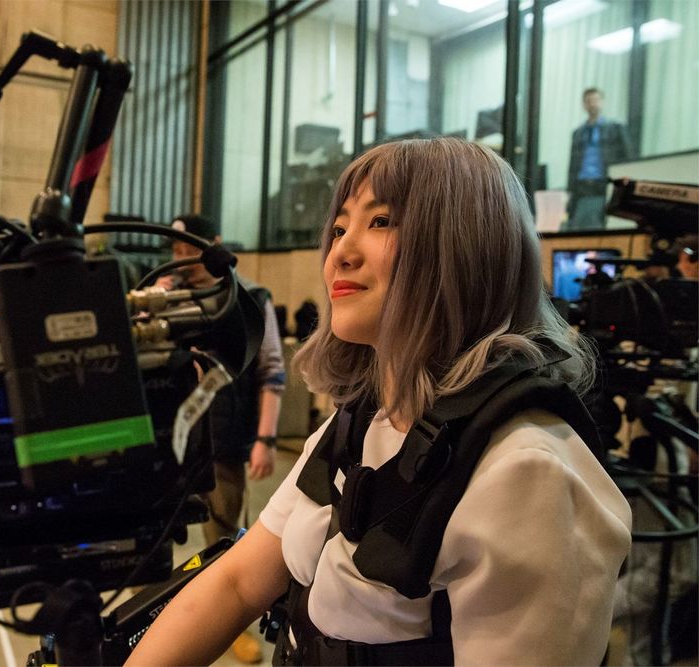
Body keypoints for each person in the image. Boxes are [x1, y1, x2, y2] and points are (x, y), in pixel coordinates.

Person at [128, 138, 632, 666]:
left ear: (467, 246)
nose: (340, 252)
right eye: (341, 227)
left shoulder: (527, 474)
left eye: (382, 221)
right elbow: (236, 583)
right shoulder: (359, 421)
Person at [165, 214, 286, 663]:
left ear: (213, 244)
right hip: (169, 442)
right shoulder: (165, 297)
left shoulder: (250, 298)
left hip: (224, 438)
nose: (181, 260)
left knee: (224, 535)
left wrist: (266, 440)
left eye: (189, 249)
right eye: (175, 251)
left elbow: (272, 370)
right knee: (157, 535)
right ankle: (156, 617)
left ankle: (230, 625)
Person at [565, 87, 632, 231]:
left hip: (604, 183)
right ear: (584, 104)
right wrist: (570, 190)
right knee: (578, 224)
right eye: (589, 101)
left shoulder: (616, 128)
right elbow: (572, 164)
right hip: (582, 186)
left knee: (599, 224)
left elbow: (627, 157)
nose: (592, 104)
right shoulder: (578, 133)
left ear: (602, 102)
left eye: (595, 100)